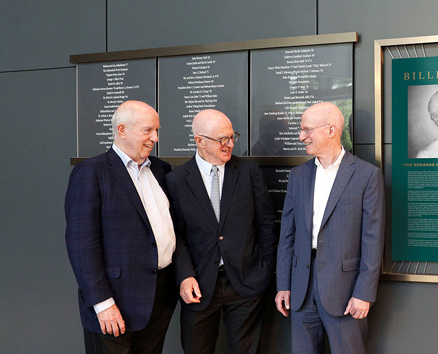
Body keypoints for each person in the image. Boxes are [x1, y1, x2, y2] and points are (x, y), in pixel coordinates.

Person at [65, 100, 176, 354]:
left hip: (160, 298)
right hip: (115, 301)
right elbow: (81, 244)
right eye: (148, 130)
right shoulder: (91, 172)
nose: (155, 138)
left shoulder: (161, 170)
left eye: (156, 131)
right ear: (122, 130)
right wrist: (102, 303)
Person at [275, 102, 385, 354]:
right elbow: (287, 236)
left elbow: (373, 239)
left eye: (307, 130)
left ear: (331, 130)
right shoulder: (298, 176)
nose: (302, 137)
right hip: (301, 289)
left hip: (346, 292)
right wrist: (284, 284)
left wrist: (364, 293)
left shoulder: (367, 175)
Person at [166, 109, 277, 353]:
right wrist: (185, 276)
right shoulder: (176, 180)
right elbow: (177, 235)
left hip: (247, 281)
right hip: (199, 284)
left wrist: (264, 268)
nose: (230, 144)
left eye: (232, 137)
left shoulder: (249, 172)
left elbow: (265, 223)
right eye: (222, 139)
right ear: (199, 140)